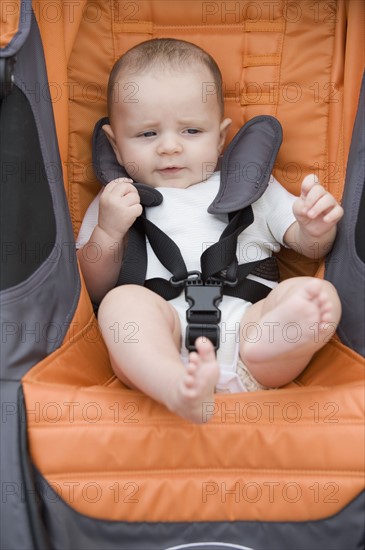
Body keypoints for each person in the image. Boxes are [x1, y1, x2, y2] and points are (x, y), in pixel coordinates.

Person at [77, 38, 343, 423]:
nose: (169, 147)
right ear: (116, 147)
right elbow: (92, 287)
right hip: (158, 341)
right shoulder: (115, 200)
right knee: (121, 308)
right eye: (148, 134)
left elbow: (310, 249)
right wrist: (107, 233)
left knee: (311, 294)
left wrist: (315, 227)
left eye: (190, 131)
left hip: (251, 330)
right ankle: (175, 385)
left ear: (220, 138)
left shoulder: (253, 186)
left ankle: (273, 345)